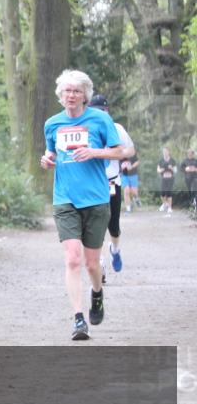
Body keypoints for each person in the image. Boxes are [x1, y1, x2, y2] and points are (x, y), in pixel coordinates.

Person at [41, 70, 127, 341]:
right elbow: (51, 152)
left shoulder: (100, 120)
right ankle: (78, 319)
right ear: (61, 95)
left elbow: (119, 151)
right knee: (72, 258)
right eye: (67, 91)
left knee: (92, 264)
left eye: (76, 91)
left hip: (97, 199)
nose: (71, 95)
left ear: (85, 95)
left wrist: (94, 152)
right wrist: (47, 160)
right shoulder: (52, 124)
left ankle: (97, 293)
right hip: (65, 198)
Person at [88, 94, 134, 281]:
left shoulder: (116, 129)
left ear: (108, 111)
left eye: (103, 110)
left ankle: (115, 249)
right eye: (96, 111)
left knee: (113, 226)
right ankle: (100, 267)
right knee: (95, 227)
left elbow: (130, 149)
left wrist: (121, 155)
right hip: (92, 184)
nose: (100, 114)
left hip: (113, 182)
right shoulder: (86, 130)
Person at [157, 147, 177, 213]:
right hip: (164, 178)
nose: (165, 153)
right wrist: (161, 170)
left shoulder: (172, 160)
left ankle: (169, 208)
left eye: (166, 151)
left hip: (170, 178)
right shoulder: (160, 161)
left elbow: (175, 171)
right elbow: (158, 170)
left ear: (168, 152)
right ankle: (164, 204)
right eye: (164, 151)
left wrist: (171, 168)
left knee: (169, 193)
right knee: (162, 193)